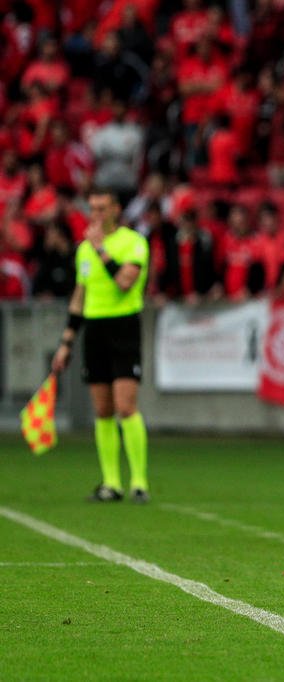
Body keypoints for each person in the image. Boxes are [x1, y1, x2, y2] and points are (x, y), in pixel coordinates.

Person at [50, 188, 151, 503]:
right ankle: (111, 482)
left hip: (124, 327)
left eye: (102, 208)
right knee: (103, 409)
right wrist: (67, 341)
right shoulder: (83, 251)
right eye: (92, 208)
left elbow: (124, 282)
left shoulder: (134, 242)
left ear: (116, 210)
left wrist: (101, 250)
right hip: (94, 330)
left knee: (126, 405)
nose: (96, 214)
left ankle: (138, 481)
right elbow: (80, 297)